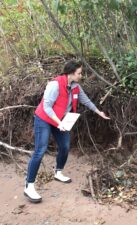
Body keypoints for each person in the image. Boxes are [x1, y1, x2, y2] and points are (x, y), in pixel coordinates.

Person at [24, 60, 110, 203]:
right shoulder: (55, 84)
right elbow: (47, 107)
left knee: (65, 146)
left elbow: (86, 101)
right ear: (70, 73)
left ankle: (58, 172)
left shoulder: (76, 86)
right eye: (79, 73)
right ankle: (29, 185)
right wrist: (59, 123)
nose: (81, 76)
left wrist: (98, 112)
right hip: (44, 119)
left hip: (60, 121)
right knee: (40, 150)